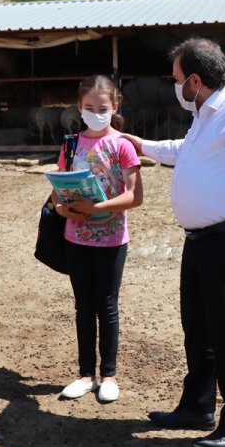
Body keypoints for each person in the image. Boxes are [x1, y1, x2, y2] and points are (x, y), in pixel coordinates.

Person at [123, 38, 225, 447]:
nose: (174, 86)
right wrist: (141, 145)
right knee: (197, 327)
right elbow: (184, 152)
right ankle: (197, 406)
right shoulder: (205, 115)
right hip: (201, 240)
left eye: (177, 79)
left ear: (195, 80)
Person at [53, 75, 143, 404]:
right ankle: (84, 374)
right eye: (89, 107)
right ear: (79, 107)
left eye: (102, 108)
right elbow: (57, 190)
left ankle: (109, 374)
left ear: (114, 107)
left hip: (112, 239)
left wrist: (98, 207)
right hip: (75, 237)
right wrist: (64, 209)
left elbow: (134, 196)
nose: (95, 113)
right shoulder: (70, 144)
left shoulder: (122, 145)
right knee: (82, 307)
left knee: (107, 306)